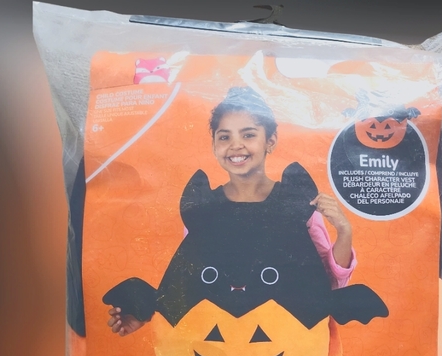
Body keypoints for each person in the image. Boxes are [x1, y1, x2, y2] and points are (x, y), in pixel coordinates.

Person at [108, 86, 356, 335]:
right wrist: (146, 313)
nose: (236, 145)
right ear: (214, 145)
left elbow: (328, 283)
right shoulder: (203, 208)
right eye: (224, 137)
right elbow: (191, 285)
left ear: (270, 141)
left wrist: (344, 231)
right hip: (222, 340)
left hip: (283, 338)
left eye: (248, 135)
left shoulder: (295, 202)